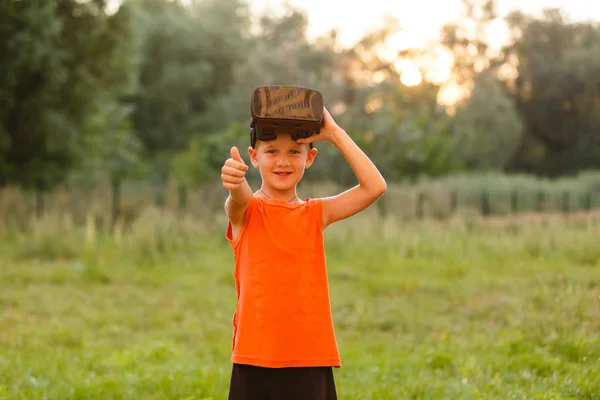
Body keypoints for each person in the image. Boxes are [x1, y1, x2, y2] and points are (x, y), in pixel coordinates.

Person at [221, 106, 387, 400]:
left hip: (309, 357)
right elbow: (238, 200)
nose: (283, 161)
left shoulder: (316, 213)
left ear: (309, 158)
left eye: (294, 152)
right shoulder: (247, 211)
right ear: (253, 157)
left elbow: (374, 187)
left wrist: (334, 134)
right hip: (254, 357)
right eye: (271, 151)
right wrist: (235, 183)